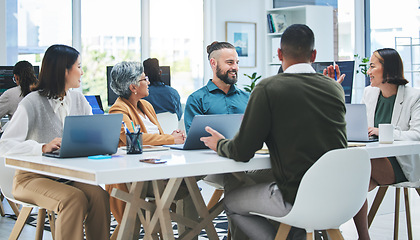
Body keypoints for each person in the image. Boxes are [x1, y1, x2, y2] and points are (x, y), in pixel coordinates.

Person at [200, 24, 347, 240]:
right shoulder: (335, 88)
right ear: (313, 55)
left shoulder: (268, 88)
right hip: (337, 195)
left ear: (279, 54)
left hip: (295, 195)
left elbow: (242, 151)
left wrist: (220, 144)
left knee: (231, 202)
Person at [0, 44, 111, 240]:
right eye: (79, 66)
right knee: (73, 199)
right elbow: (5, 144)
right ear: (64, 70)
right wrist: (41, 147)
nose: (82, 72)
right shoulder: (32, 102)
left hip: (66, 176)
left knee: (100, 196)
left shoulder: (78, 100)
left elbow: (89, 135)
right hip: (30, 179)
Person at [104, 62, 198, 234]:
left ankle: (190, 235)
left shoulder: (146, 106)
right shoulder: (118, 110)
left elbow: (158, 139)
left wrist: (172, 136)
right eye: (144, 79)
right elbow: (134, 138)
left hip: (157, 168)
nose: (148, 82)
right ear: (133, 87)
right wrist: (170, 138)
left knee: (191, 187)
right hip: (134, 177)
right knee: (188, 187)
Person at [343, 48, 419, 240]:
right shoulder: (369, 93)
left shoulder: (414, 96)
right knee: (354, 183)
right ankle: (363, 236)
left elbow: (417, 135)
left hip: (401, 162)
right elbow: (360, 127)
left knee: (356, 168)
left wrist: (383, 132)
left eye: (372, 66)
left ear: (388, 69)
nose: (368, 71)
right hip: (374, 160)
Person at [183, 41, 249, 134]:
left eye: (237, 62)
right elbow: (195, 138)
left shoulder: (248, 98)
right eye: (230, 62)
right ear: (213, 63)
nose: (235, 67)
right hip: (210, 149)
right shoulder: (197, 100)